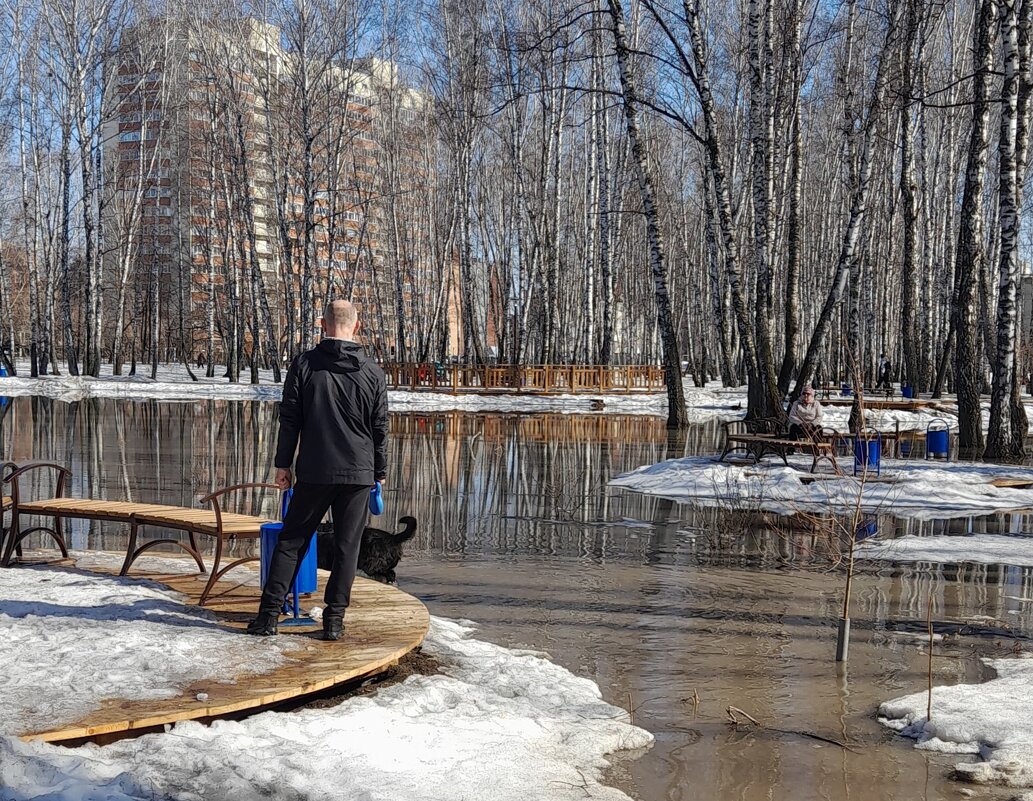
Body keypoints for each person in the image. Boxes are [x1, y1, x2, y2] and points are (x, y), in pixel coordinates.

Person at [248, 299, 388, 641]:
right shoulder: (372, 371)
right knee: (346, 547)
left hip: (314, 469)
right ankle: (334, 620)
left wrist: (283, 464)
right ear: (357, 327)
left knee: (292, 541)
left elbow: (290, 418)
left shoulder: (305, 365)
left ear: (323, 325)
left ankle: (268, 617)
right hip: (358, 472)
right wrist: (379, 471)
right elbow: (380, 426)